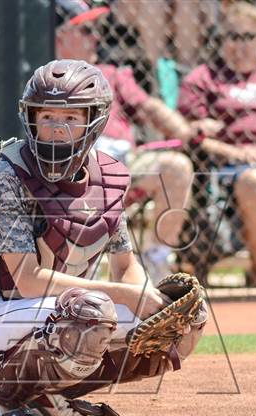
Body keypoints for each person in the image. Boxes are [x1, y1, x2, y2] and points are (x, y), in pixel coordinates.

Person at [0, 59, 207, 416]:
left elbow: (125, 265)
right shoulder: (5, 175)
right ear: (30, 118)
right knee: (92, 314)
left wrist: (145, 297)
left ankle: (47, 394)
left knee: (188, 317)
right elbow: (26, 279)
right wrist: (124, 295)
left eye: (70, 117)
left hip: (56, 312)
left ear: (95, 121)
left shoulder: (107, 176)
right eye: (46, 116)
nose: (55, 128)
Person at [55, 1, 197, 284]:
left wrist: (185, 130)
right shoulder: (44, 78)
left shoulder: (111, 73)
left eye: (96, 30)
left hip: (123, 165)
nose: (95, 37)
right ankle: (83, 274)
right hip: (71, 169)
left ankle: (157, 265)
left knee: (177, 168)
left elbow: (148, 107)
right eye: (85, 31)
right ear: (59, 36)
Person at [178, 1, 256, 286]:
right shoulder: (204, 78)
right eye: (232, 36)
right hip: (226, 170)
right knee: (255, 182)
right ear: (221, 41)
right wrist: (236, 152)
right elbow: (191, 133)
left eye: (248, 36)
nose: (239, 45)